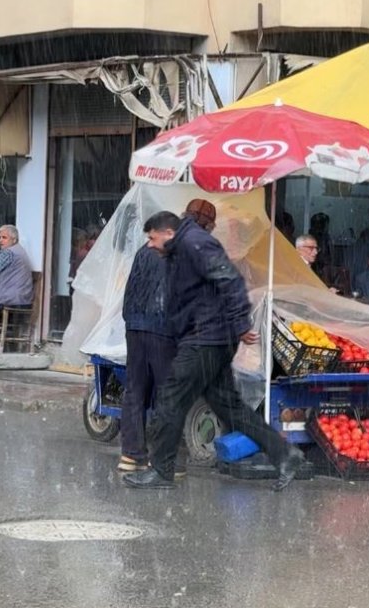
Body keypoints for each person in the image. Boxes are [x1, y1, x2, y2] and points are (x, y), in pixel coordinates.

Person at [124, 198, 305, 492]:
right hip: (210, 338)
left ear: (168, 233)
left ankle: (161, 470)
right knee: (229, 407)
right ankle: (285, 455)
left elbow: (230, 282)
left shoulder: (195, 243)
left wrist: (240, 324)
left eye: (152, 238)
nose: (150, 245)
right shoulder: (183, 248)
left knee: (170, 398)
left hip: (206, 339)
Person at [119, 211, 180, 473]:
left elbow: (132, 288)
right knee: (167, 393)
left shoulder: (143, 253)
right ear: (170, 233)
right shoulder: (174, 255)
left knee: (135, 389)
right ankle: (163, 457)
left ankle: (132, 455)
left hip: (134, 326)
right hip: (162, 329)